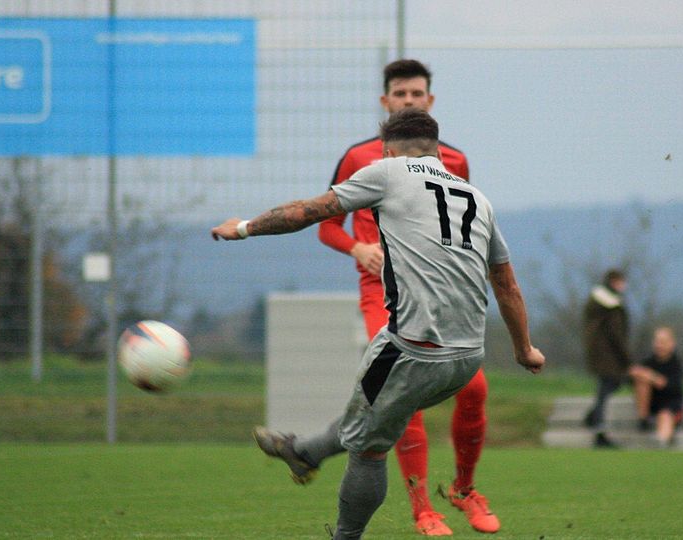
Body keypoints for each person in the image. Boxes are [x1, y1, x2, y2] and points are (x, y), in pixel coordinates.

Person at [211, 109, 545, 540]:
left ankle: (344, 533)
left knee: (369, 448)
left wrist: (243, 227)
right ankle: (304, 451)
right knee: (374, 416)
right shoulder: (476, 198)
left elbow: (307, 212)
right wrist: (524, 349)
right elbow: (506, 284)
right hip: (466, 358)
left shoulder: (387, 172)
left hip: (412, 350)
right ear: (438, 151)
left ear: (387, 151)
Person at [317, 59, 492, 536]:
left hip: (438, 294)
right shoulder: (360, 157)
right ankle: (422, 508)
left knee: (476, 389)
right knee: (404, 392)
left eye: (417, 94)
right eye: (401, 93)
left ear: (429, 101)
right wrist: (357, 248)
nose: (409, 100)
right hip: (383, 293)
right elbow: (327, 226)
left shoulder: (454, 160)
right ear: (385, 101)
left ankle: (464, 488)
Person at [581, 269, 632, 448]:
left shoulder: (595, 300)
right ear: (614, 282)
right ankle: (599, 427)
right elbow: (616, 334)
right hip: (609, 354)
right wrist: (627, 359)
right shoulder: (611, 305)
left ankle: (593, 416)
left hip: (597, 352)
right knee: (607, 387)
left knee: (609, 386)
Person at [629, 326, 683, 447]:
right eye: (657, 342)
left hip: (671, 404)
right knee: (641, 381)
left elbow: (668, 385)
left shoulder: (676, 364)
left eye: (663, 342)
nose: (659, 345)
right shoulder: (648, 362)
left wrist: (650, 376)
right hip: (653, 403)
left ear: (672, 344)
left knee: (664, 416)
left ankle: (661, 443)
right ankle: (643, 420)